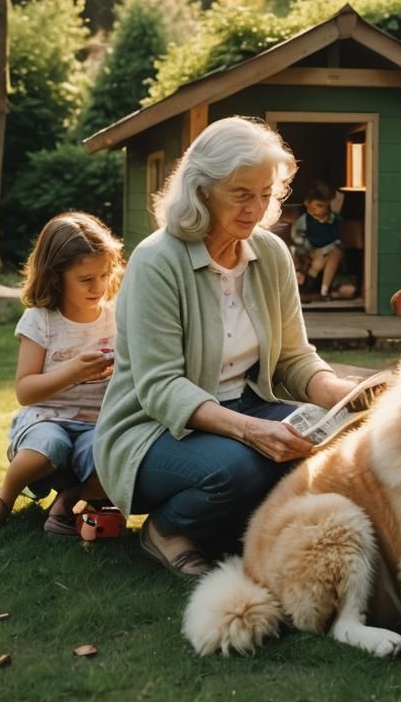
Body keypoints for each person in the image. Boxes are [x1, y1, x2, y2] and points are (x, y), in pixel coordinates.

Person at [93, 117, 364, 577]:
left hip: (244, 406)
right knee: (240, 466)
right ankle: (165, 529)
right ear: (201, 190)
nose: (256, 208)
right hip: (151, 429)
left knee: (331, 444)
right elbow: (160, 387)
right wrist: (250, 430)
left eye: (265, 193)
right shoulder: (157, 260)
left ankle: (233, 532)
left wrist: (338, 395)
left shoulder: (271, 254)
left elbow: (295, 358)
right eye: (241, 194)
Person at [0, 212, 123, 538]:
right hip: (46, 419)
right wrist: (73, 371)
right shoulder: (42, 320)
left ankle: (68, 500)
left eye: (104, 275)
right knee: (49, 445)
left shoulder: (116, 317)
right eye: (86, 279)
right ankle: (2, 497)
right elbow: (25, 390)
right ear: (55, 275)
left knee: (119, 459)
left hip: (97, 423)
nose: (99, 286)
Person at [291, 179, 344, 299]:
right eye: (319, 205)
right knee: (315, 262)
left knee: (335, 254)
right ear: (307, 203)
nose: (323, 209)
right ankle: (310, 281)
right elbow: (297, 238)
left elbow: (335, 237)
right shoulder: (304, 221)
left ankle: (324, 290)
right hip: (310, 250)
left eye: (326, 206)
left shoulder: (331, 218)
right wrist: (309, 251)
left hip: (329, 248)